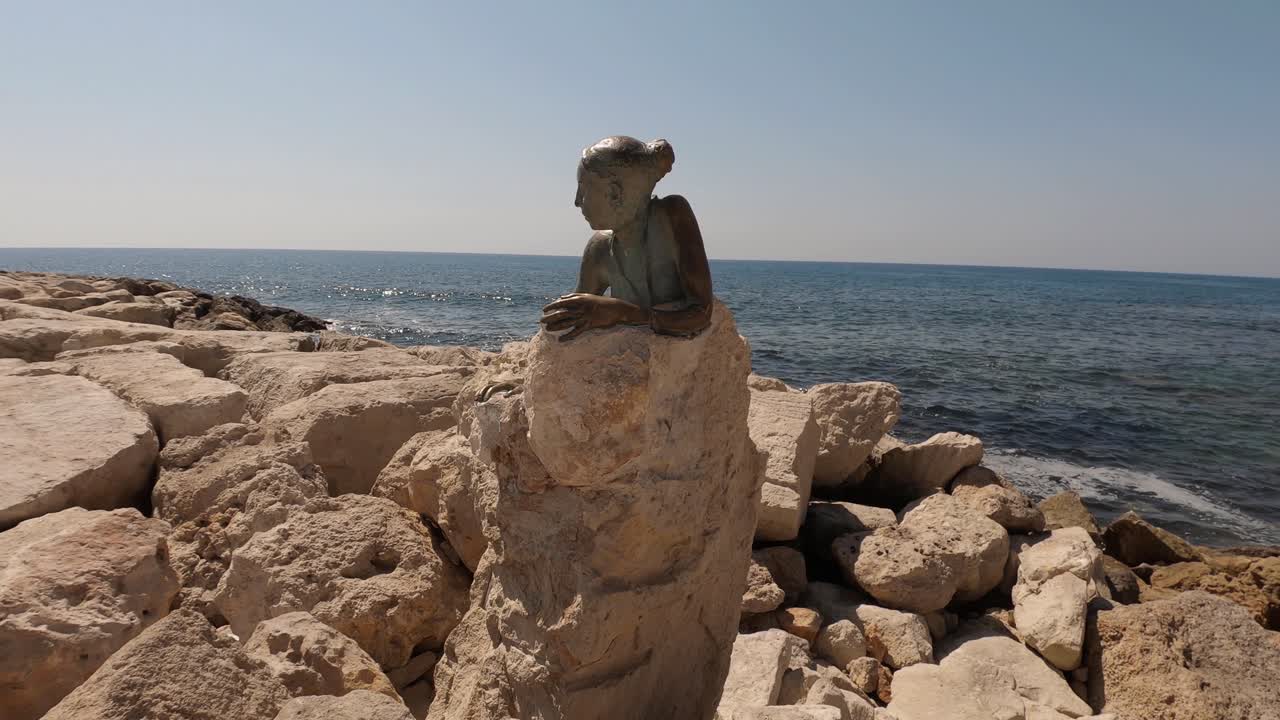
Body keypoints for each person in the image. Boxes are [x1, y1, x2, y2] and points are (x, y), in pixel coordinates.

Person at [540, 136, 713, 341]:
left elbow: (701, 313)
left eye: (583, 189)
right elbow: (573, 315)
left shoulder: (671, 215)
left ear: (614, 193)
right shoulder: (600, 249)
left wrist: (623, 313)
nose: (577, 201)